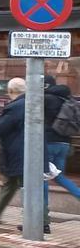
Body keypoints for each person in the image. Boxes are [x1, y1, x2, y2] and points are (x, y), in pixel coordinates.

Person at [0, 77, 50, 233]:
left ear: (10, 91)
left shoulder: (16, 106)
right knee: (10, 183)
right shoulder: (33, 103)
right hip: (30, 152)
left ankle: (41, 222)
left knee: (29, 188)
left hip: (22, 155)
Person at [45, 75, 80, 204]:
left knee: (41, 176)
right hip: (64, 143)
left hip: (48, 142)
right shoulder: (67, 99)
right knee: (58, 176)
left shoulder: (46, 99)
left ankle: (42, 213)